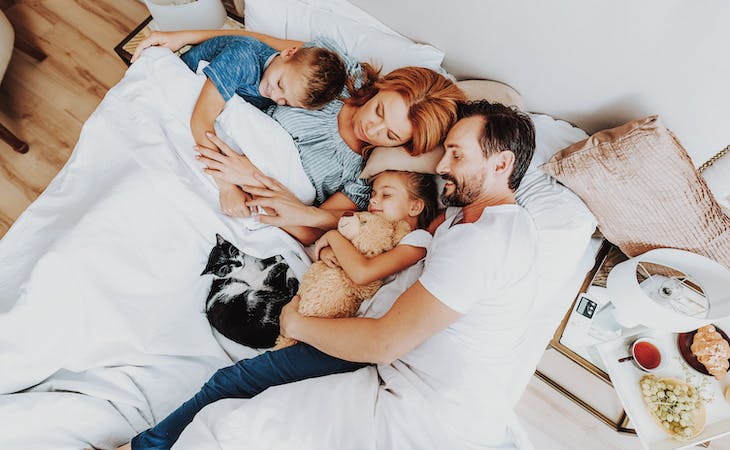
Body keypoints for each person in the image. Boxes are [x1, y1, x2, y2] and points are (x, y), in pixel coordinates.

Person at [170, 99, 536, 448]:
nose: (441, 167)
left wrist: (294, 323)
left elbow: (383, 342)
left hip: (420, 403)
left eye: (456, 154)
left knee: (234, 414)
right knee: (234, 388)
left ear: (501, 164)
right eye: (445, 152)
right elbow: (402, 190)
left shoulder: (484, 242)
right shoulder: (463, 216)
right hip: (390, 363)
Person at [118, 170, 440, 450]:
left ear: (416, 206)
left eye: (386, 194)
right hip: (339, 325)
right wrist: (329, 245)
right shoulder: (372, 231)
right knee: (237, 381)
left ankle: (146, 446)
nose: (374, 201)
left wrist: (331, 236)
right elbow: (331, 260)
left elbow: (362, 272)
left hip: (352, 342)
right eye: (373, 193)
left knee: (230, 381)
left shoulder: (418, 239)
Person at [132, 30, 466, 244]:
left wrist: (250, 181)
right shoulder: (337, 72)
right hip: (213, 140)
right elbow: (254, 46)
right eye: (379, 111)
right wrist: (180, 37)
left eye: (390, 135)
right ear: (382, 87)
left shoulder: (362, 174)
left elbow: (307, 227)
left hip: (247, 198)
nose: (372, 130)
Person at [180, 35, 347, 162]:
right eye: (280, 84)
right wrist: (226, 186)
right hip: (183, 82)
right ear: (288, 53)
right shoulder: (242, 57)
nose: (275, 97)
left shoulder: (279, 87)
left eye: (285, 102)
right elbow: (201, 120)